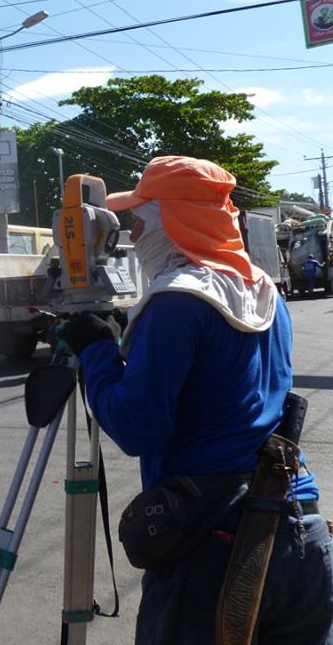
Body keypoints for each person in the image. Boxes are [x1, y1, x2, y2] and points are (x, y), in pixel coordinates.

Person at [60, 156, 332, 645]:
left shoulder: (176, 302)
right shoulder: (265, 290)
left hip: (217, 546)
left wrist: (96, 352)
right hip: (301, 528)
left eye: (141, 222)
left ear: (174, 222)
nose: (133, 237)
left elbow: (138, 427)